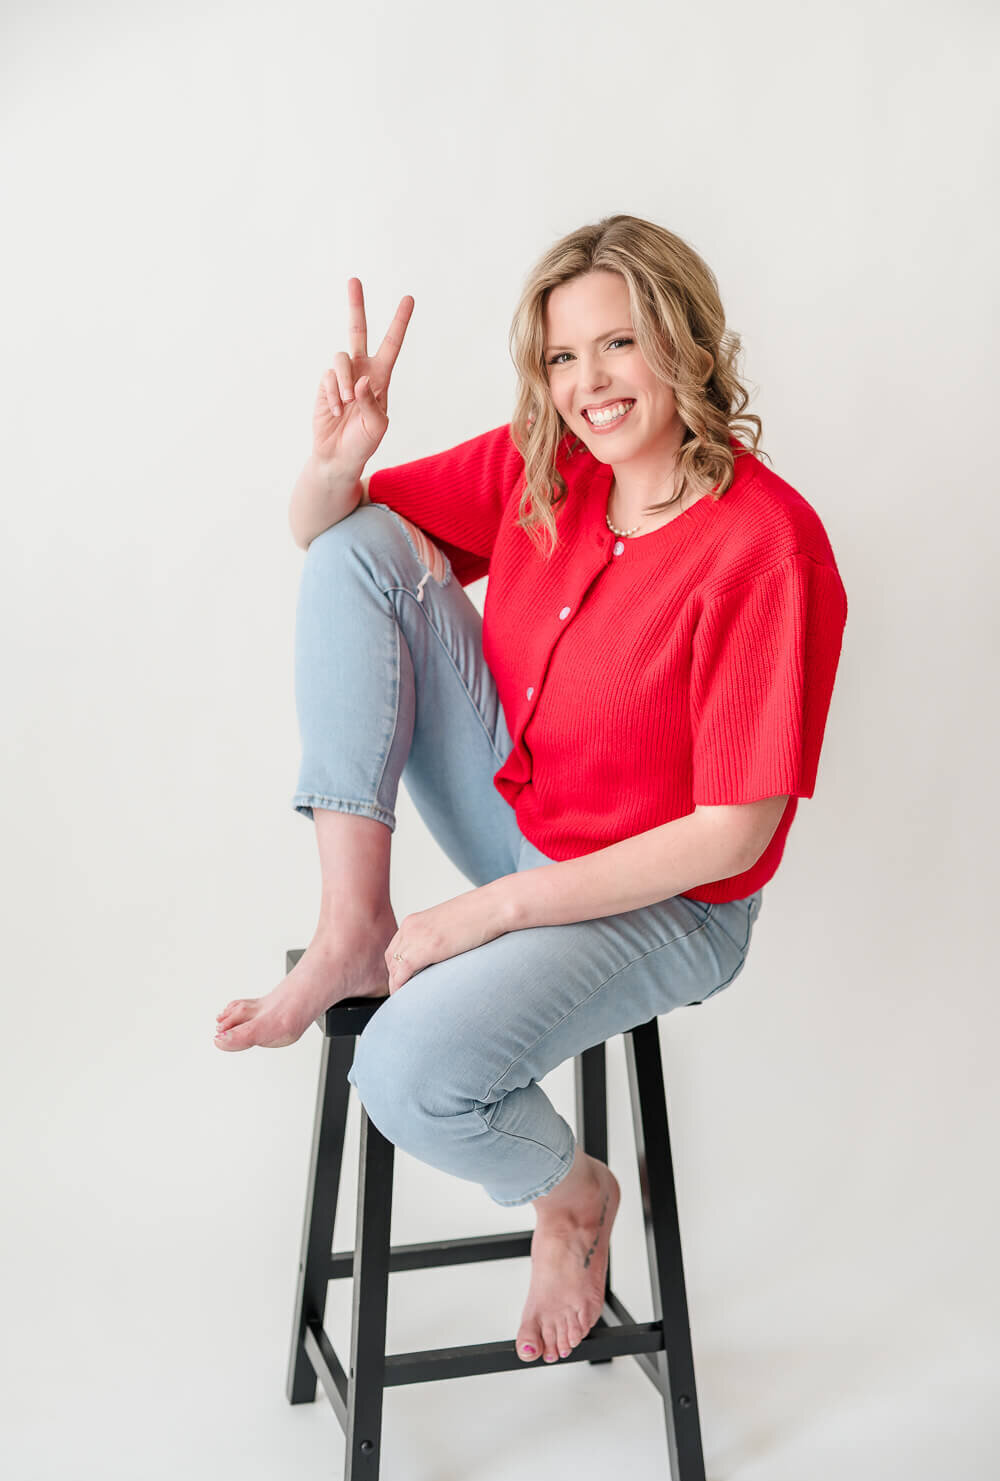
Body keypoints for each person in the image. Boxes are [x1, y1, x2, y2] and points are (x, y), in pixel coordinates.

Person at [214, 213, 849, 1369]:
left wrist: (486, 911)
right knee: (361, 548)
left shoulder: (765, 546)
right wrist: (338, 460)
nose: (588, 385)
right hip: (525, 816)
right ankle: (352, 924)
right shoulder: (543, 464)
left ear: (687, 346)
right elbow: (327, 540)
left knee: (403, 1072)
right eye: (563, 357)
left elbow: (731, 831)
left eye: (618, 346)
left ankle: (572, 1192)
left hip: (671, 903)